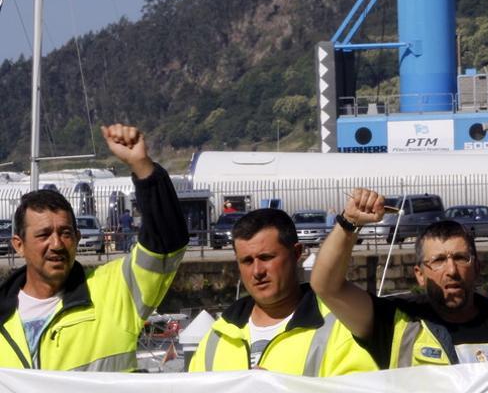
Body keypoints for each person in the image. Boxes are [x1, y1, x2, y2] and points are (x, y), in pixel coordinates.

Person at [312, 189, 488, 381]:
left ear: (477, 266)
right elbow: (326, 285)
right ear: (419, 274)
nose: (451, 270)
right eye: (438, 261)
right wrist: (348, 223)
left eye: (461, 258)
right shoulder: (394, 323)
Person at [0, 124, 188, 371]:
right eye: (44, 235)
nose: (56, 244)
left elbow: (166, 243)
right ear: (18, 245)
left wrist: (142, 167)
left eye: (65, 233)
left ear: (77, 238)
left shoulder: (118, 290)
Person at [189, 209, 376, 376]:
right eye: (247, 261)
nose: (257, 271)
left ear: (296, 254)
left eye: (266, 257)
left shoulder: (339, 327)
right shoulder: (217, 336)